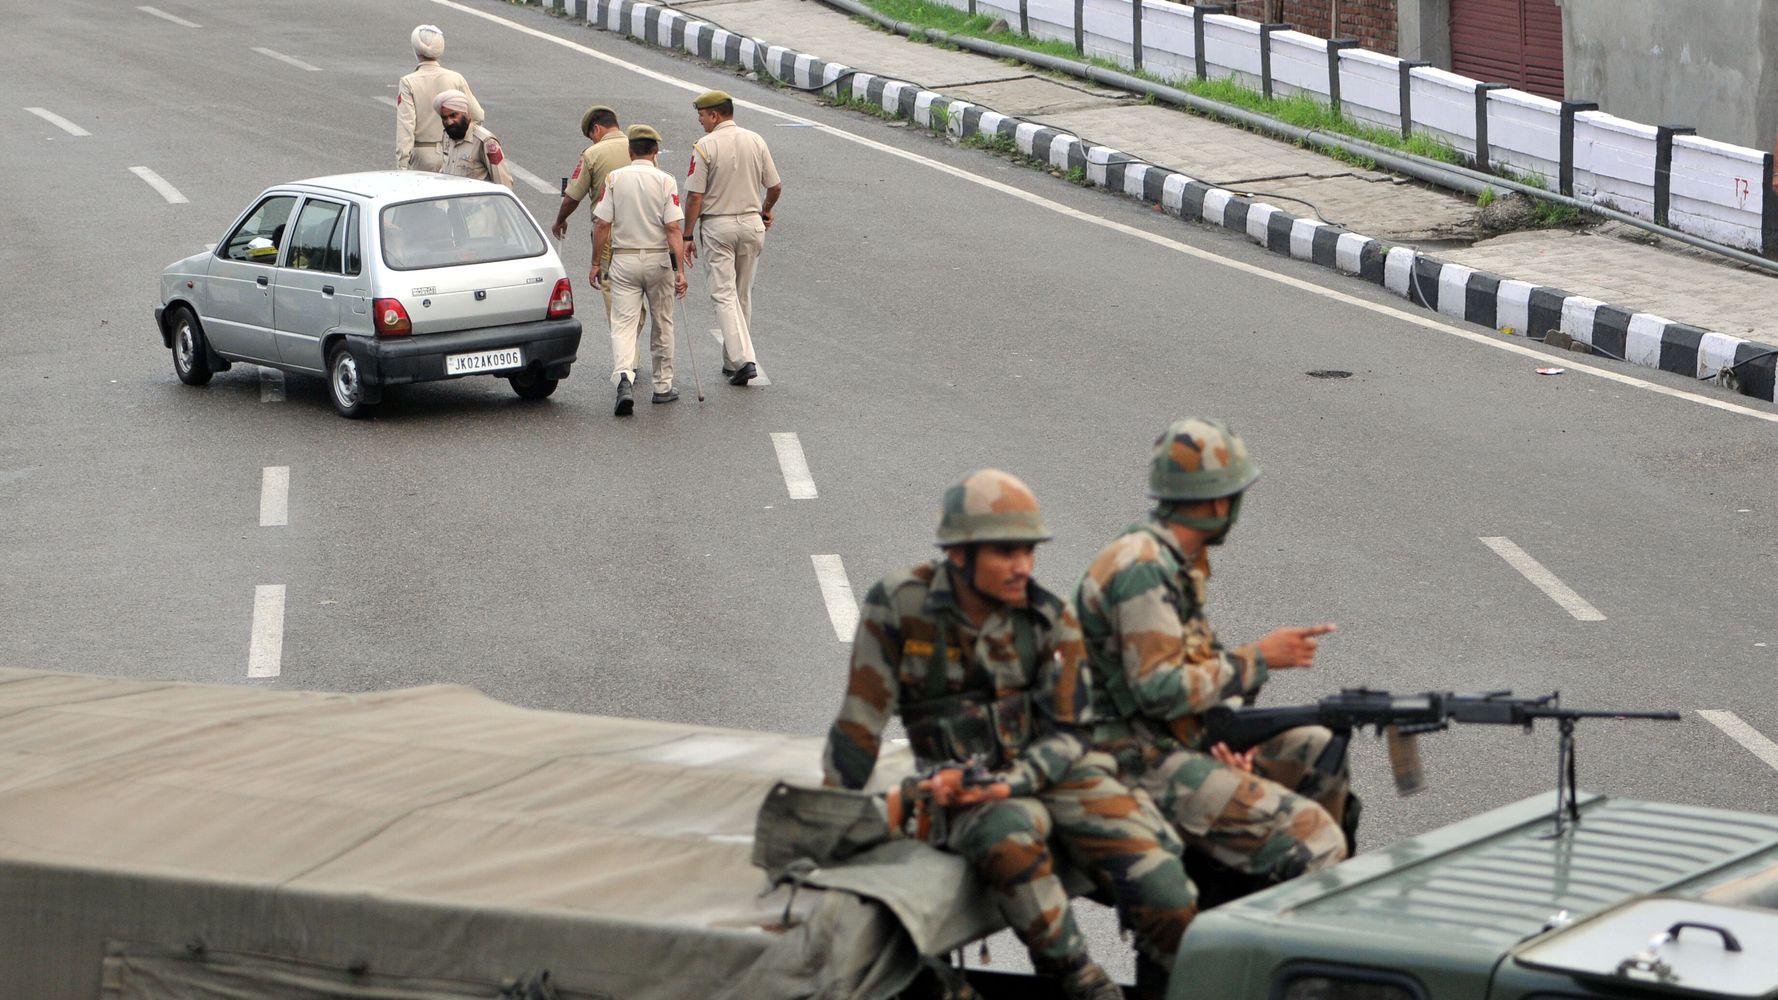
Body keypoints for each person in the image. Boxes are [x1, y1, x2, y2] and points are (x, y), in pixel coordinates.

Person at [822, 470, 1198, 1000]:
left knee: (1164, 885)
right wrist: (834, 818)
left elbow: (1071, 735)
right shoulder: (900, 607)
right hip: (962, 786)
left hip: (1051, 773)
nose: (1023, 565)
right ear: (958, 554)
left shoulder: (1046, 620)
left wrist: (1015, 780)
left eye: (1029, 550)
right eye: (1005, 551)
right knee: (1007, 832)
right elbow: (860, 723)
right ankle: (1077, 978)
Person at [1074, 419, 1353, 917]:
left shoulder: (1179, 560)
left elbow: (1193, 670)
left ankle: (1252, 906)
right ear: (1221, 502)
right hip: (1131, 761)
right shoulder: (1141, 567)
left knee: (1316, 750)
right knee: (1318, 841)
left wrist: (1222, 736)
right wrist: (1259, 658)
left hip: (1171, 740)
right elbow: (1159, 688)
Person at [680, 90, 780, 387]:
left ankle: (743, 360)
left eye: (702, 115)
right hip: (752, 224)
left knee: (723, 294)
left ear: (715, 114)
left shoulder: (705, 146)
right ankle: (732, 360)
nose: (700, 121)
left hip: (718, 226)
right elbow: (774, 186)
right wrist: (765, 211)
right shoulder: (755, 139)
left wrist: (687, 234)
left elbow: (695, 194)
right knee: (742, 293)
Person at [591, 124, 687, 416]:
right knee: (663, 322)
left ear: (630, 150)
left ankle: (624, 376)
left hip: (624, 259)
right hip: (658, 260)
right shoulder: (666, 180)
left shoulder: (614, 179)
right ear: (655, 151)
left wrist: (596, 262)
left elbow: (602, 224)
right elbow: (672, 227)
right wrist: (679, 270)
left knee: (623, 323)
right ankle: (662, 386)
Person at [552, 105, 635, 323]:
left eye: (591, 136)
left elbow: (573, 196)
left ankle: (626, 347)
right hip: (644, 232)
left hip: (609, 233)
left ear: (597, 129)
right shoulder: (639, 147)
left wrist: (560, 221)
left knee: (614, 294)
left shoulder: (593, 154)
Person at [396, 24, 484, 172]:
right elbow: (478, 115)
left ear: (416, 50)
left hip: (422, 155)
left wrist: (402, 165)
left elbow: (406, 126)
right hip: (454, 153)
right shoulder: (456, 78)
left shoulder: (408, 82)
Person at [436, 91, 512, 189]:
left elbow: (503, 183)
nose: (449, 122)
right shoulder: (447, 136)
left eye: (453, 115)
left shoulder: (486, 142)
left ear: (466, 114)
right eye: (444, 118)